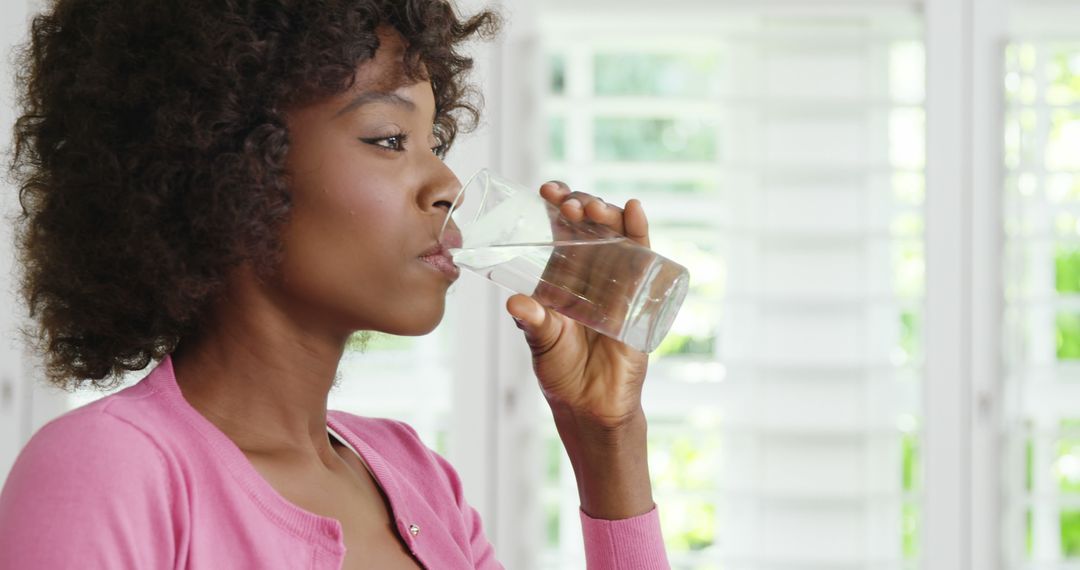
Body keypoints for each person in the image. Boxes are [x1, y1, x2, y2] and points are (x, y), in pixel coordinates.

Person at [0, 0, 671, 568]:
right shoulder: (108, 472)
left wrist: (607, 442)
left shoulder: (417, 477)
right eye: (388, 139)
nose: (447, 187)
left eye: (432, 140)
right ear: (229, 165)